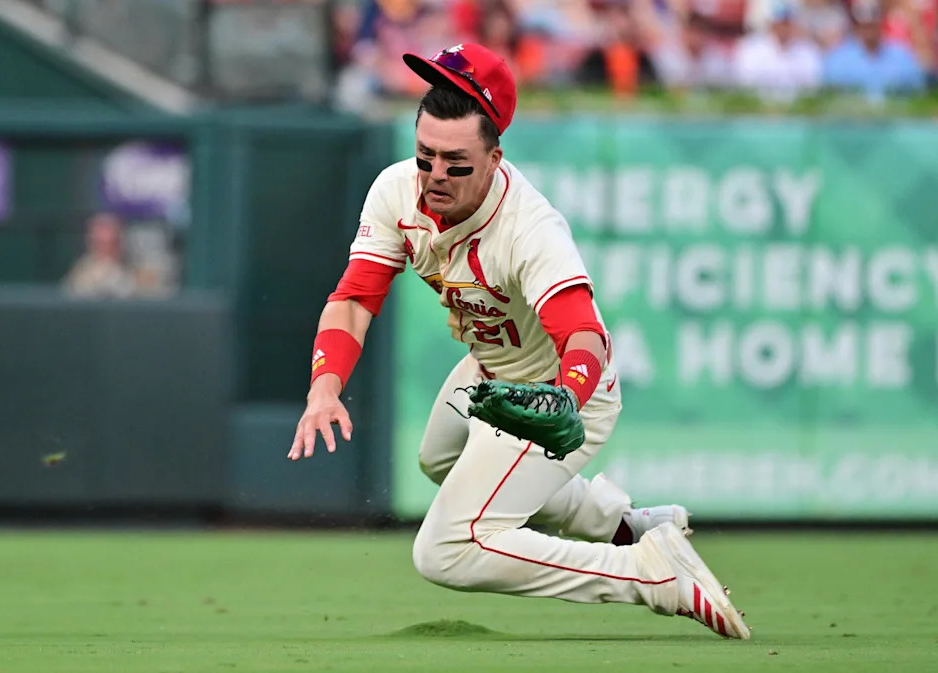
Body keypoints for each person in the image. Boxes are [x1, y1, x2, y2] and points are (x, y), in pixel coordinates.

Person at [288, 42, 750, 639]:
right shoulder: (396, 189)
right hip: (490, 369)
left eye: (455, 162)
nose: (434, 177)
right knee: (440, 458)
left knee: (445, 552)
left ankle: (652, 577)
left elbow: (582, 331)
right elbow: (354, 298)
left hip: (556, 391)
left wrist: (565, 398)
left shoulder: (529, 227)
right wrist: (325, 389)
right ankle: (624, 527)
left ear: (494, 157)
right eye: (425, 155)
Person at [62, 212, 138, 299]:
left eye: (111, 240)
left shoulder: (134, 265)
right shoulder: (82, 269)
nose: (105, 241)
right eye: (98, 241)